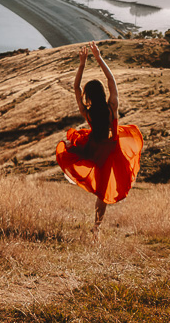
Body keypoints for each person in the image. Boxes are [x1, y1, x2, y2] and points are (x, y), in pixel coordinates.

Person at [56, 41, 143, 235]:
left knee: (100, 188)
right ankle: (96, 227)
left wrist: (82, 64)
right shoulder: (112, 107)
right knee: (103, 193)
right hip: (110, 151)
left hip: (93, 148)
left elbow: (76, 88)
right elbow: (111, 82)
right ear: (102, 93)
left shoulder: (88, 112)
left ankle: (96, 228)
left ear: (89, 95)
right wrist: (99, 58)